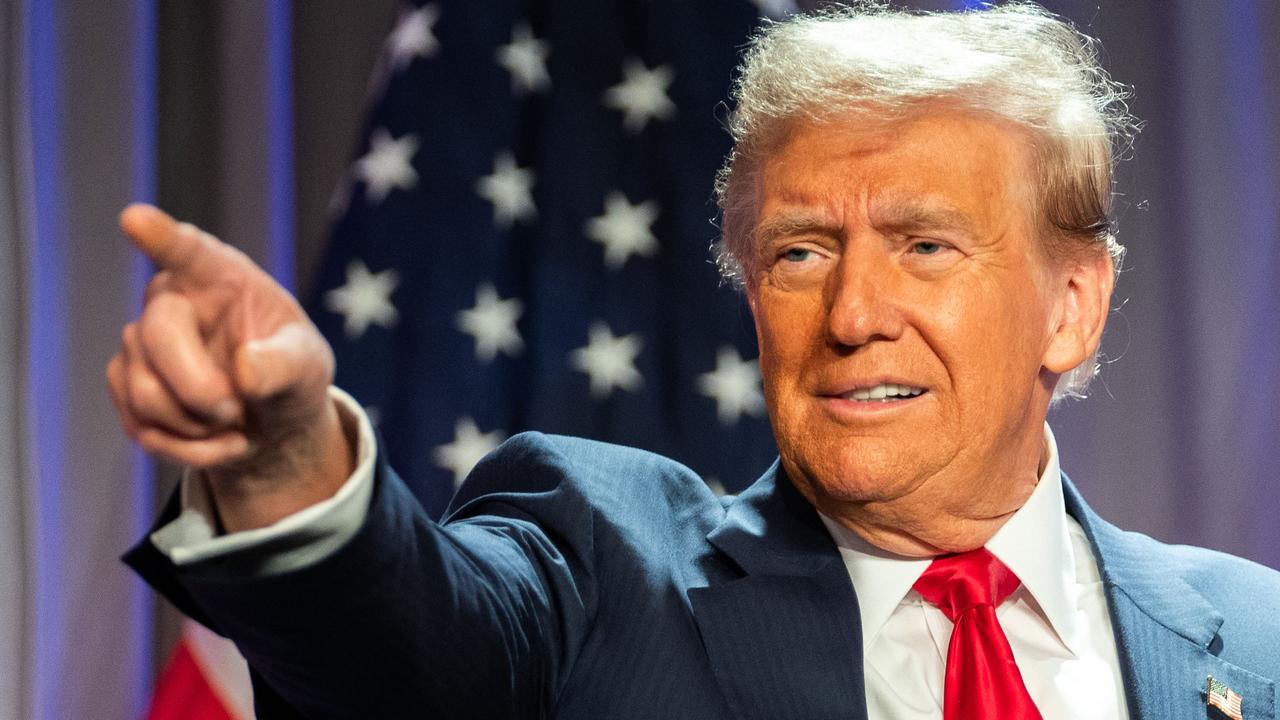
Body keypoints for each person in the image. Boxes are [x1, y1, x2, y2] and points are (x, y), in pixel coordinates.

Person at [114, 3, 1280, 719]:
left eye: (924, 246)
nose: (852, 310)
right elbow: (409, 651)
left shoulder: (1256, 641)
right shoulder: (601, 571)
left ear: (1071, 307)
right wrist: (282, 461)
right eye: (799, 251)